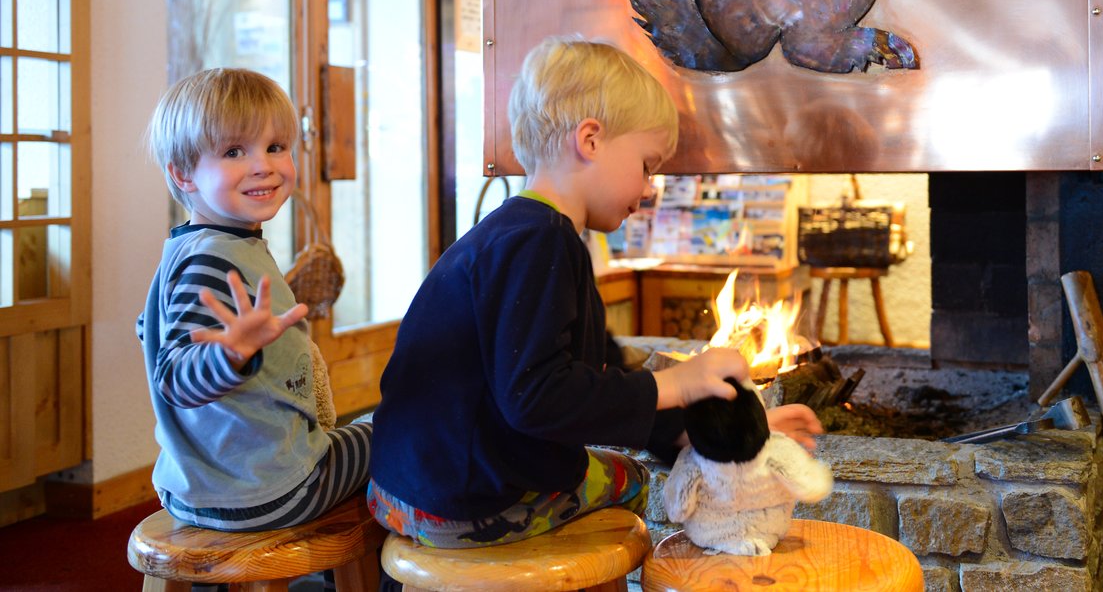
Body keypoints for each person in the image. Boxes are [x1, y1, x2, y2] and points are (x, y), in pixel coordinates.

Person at [368, 37, 822, 548]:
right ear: (590, 140)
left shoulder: (527, 235)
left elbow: (597, 381)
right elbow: (537, 399)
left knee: (609, 463)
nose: (650, 187)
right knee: (630, 483)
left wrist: (723, 437)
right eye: (647, 165)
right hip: (461, 499)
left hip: (415, 483)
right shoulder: (539, 243)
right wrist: (676, 384)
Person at [138, 68, 372, 531]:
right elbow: (173, 379)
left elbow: (152, 327)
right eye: (233, 151)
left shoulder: (197, 245)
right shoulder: (212, 258)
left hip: (201, 485)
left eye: (275, 147)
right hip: (266, 489)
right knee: (399, 430)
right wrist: (231, 353)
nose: (263, 165)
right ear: (184, 174)